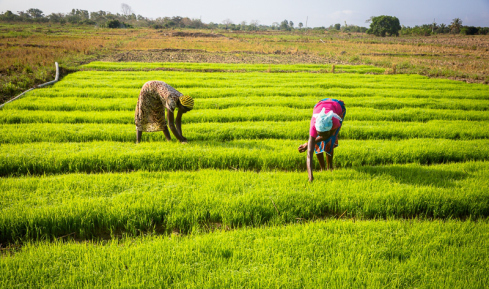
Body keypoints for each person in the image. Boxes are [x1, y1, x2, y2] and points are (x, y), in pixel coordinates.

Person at [298, 98, 346, 182]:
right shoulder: (314, 125)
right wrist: (310, 177)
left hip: (337, 106)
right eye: (318, 133)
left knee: (329, 140)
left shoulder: (334, 122)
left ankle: (329, 168)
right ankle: (322, 168)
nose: (319, 135)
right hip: (321, 104)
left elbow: (326, 137)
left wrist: (308, 144)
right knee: (316, 144)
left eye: (323, 133)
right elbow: (309, 155)